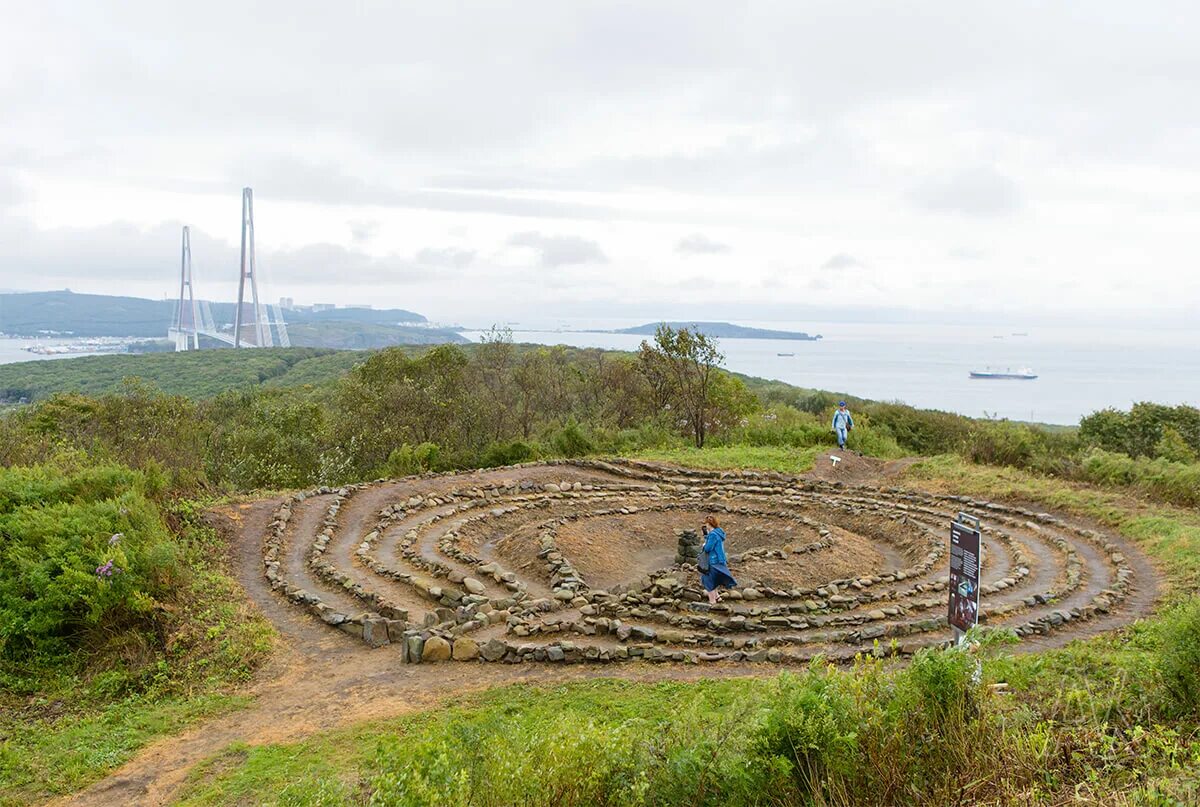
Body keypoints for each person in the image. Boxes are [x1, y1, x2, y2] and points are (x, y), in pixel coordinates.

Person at [699, 515, 737, 605]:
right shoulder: (718, 532)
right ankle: (717, 597)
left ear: (709, 524)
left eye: (706, 524)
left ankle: (712, 602)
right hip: (720, 559)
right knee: (715, 579)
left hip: (712, 560)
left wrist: (704, 545)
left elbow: (708, 548)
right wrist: (706, 536)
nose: (706, 526)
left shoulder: (712, 535)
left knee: (708, 580)